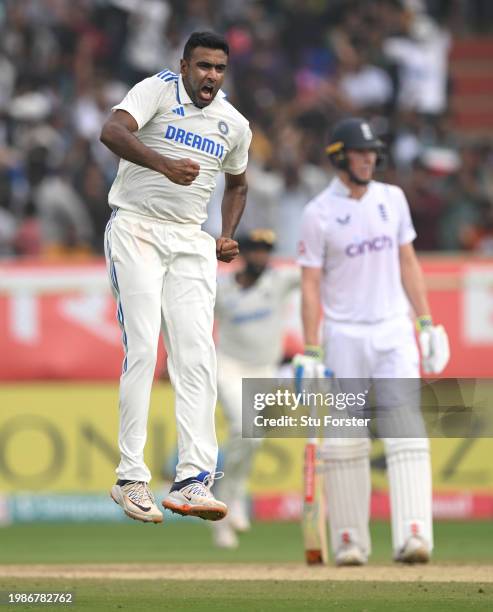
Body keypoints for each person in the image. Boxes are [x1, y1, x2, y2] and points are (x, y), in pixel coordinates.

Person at [99, 31, 252, 524]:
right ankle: (130, 478)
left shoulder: (233, 123)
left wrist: (227, 233)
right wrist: (164, 164)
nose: (210, 76)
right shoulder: (157, 90)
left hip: (191, 238)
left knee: (196, 356)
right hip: (136, 226)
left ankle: (192, 480)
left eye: (219, 69)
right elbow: (112, 132)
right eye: (203, 66)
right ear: (184, 65)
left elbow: (238, 183)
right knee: (143, 347)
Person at [295, 117, 449, 565]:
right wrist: (309, 347)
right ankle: (349, 539)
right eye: (360, 153)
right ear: (339, 156)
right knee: (345, 439)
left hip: (393, 329)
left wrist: (425, 323)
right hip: (343, 334)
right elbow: (309, 284)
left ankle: (414, 534)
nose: (369, 160)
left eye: (372, 153)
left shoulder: (392, 198)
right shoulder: (318, 212)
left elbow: (408, 261)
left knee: (406, 432)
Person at [212, 229, 300, 547]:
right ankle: (230, 503)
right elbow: (192, 321)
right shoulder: (221, 289)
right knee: (242, 427)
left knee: (251, 440)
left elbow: (316, 273)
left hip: (265, 372)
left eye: (267, 251)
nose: (261, 257)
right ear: (242, 254)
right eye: (255, 250)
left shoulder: (279, 282)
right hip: (230, 368)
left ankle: (231, 499)